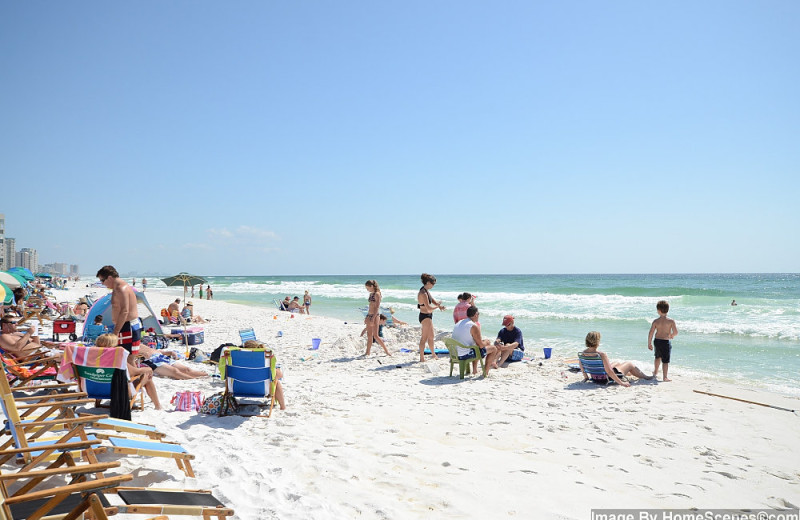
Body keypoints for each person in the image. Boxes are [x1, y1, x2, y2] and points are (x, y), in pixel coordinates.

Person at [95, 333, 162, 410]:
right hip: (121, 393)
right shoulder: (117, 359)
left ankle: (98, 402)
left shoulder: (90, 359)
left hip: (97, 391)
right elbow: (136, 372)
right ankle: (158, 406)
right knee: (147, 377)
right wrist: (148, 369)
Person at [97, 265, 142, 357]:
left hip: (128, 326)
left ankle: (140, 371)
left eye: (102, 280)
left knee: (127, 359)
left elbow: (125, 311)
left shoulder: (121, 289)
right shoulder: (120, 287)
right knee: (123, 359)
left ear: (109, 278)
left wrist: (115, 332)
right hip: (126, 325)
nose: (102, 283)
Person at [582, 331, 653, 387]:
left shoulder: (583, 354)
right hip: (605, 378)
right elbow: (609, 371)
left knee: (617, 363)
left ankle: (628, 373)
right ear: (597, 341)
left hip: (595, 378)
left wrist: (586, 378)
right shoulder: (601, 354)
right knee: (629, 364)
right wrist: (621, 383)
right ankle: (646, 377)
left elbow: (583, 368)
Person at [452, 306, 498, 377]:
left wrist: (485, 342)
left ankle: (475, 370)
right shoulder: (473, 326)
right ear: (476, 314)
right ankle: (485, 373)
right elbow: (481, 345)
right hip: (464, 355)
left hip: (455, 353)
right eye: (478, 313)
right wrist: (486, 342)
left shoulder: (459, 322)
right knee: (494, 349)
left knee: (477, 346)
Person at [243, 340, 286, 410]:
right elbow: (280, 375)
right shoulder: (263, 361)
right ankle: (283, 406)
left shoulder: (238, 362)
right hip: (261, 389)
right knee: (276, 381)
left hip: (241, 389)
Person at [137, 343, 207, 379]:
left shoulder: (138, 342)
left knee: (187, 369)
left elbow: (156, 351)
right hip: (150, 361)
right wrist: (142, 358)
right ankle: (194, 379)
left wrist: (170, 352)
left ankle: (208, 375)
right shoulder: (127, 346)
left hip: (160, 356)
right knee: (175, 371)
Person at [417, 273, 445, 362]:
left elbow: (432, 300)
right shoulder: (423, 293)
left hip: (428, 316)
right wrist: (437, 307)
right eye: (433, 284)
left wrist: (439, 305)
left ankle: (433, 354)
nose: (433, 286)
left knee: (431, 336)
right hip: (425, 316)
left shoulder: (426, 291)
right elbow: (428, 308)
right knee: (424, 337)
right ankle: (421, 358)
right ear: (428, 282)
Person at [648, 300, 678, 382]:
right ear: (668, 310)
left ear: (658, 311)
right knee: (665, 361)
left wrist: (649, 343)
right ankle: (665, 377)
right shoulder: (671, 321)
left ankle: (655, 372)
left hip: (657, 341)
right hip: (665, 342)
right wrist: (671, 335)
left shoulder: (655, 321)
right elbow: (676, 332)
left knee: (657, 357)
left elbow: (651, 332)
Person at [364, 280, 391, 356]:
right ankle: (367, 352)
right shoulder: (371, 294)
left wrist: (373, 317)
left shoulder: (377, 294)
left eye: (367, 288)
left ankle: (386, 351)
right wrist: (367, 316)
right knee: (369, 335)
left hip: (375, 316)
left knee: (375, 336)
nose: (367, 290)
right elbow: (370, 306)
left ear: (372, 286)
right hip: (369, 315)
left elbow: (377, 307)